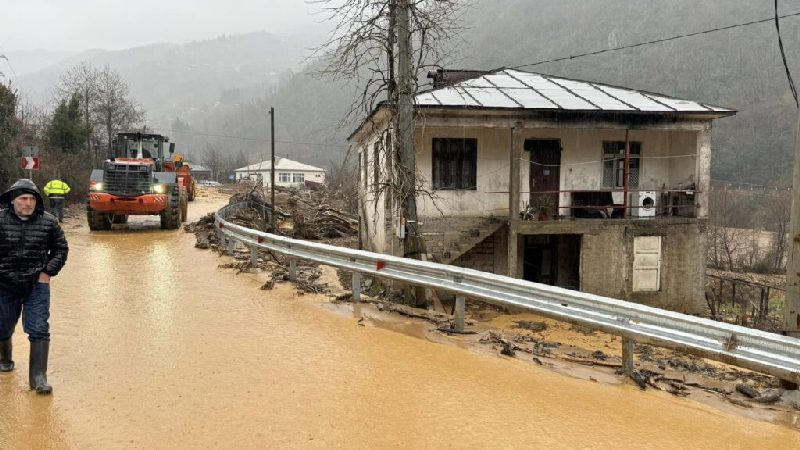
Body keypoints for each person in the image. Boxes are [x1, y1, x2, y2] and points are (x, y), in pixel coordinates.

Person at [0, 179, 69, 395]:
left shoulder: (48, 222)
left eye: (31, 199)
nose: (27, 203)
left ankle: (38, 378)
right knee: (2, 325)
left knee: (39, 327)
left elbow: (61, 248)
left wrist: (48, 271)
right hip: (4, 283)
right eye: (23, 198)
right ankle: (5, 359)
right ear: (13, 200)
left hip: (36, 284)